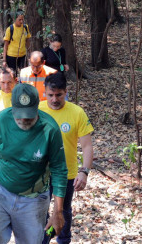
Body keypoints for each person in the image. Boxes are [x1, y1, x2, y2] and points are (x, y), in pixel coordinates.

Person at [0, 84, 68, 244]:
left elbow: (59, 170)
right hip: (0, 190)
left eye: (29, 115)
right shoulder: (1, 121)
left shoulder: (49, 129)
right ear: (13, 108)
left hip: (33, 198)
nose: (24, 119)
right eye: (20, 115)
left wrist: (58, 211)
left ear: (37, 108)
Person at [39, 72, 94, 244]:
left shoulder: (77, 113)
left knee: (63, 211)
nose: (54, 99)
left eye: (59, 95)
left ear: (66, 92)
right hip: (39, 174)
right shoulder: (37, 110)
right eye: (50, 95)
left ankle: (63, 240)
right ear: (44, 93)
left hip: (66, 174)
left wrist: (84, 172)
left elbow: (87, 145)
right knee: (40, 211)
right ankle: (43, 239)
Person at [2, 10, 31, 76]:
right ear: (14, 19)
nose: (21, 21)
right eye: (19, 20)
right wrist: (4, 60)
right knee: (13, 75)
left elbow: (27, 40)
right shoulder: (10, 29)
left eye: (22, 19)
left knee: (24, 74)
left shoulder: (25, 27)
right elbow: (6, 45)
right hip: (12, 56)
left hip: (22, 55)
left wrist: (29, 53)